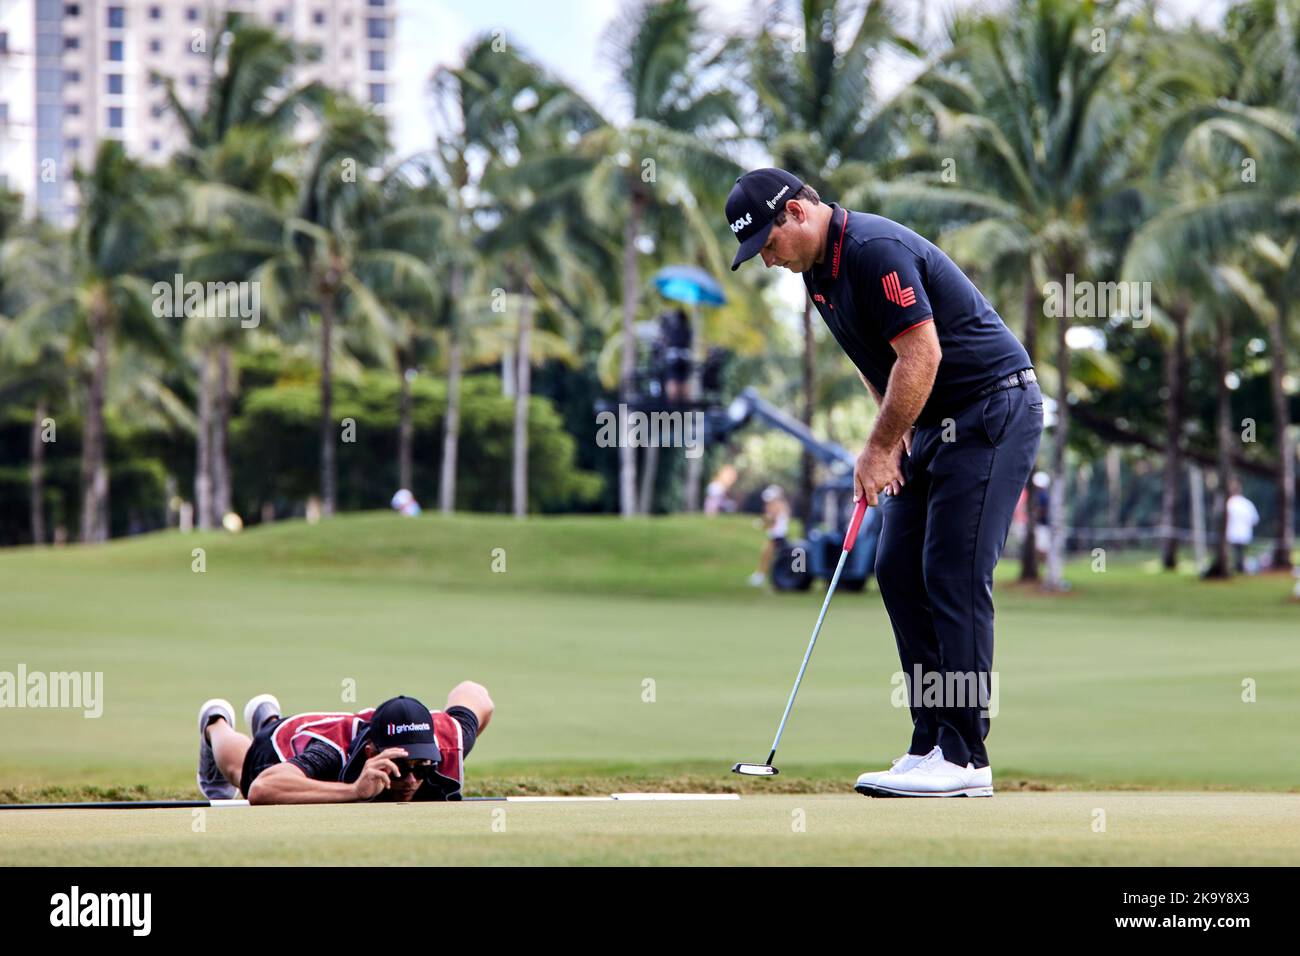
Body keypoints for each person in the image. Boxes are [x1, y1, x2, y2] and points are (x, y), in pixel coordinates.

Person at [727, 168, 1043, 797]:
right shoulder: (819, 278)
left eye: (767, 242)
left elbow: (922, 355)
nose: (766, 259)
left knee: (952, 574)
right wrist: (890, 441)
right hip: (934, 426)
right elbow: (883, 363)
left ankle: (965, 756)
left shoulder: (873, 252)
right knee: (898, 569)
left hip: (992, 411)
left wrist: (873, 447)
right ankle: (929, 743)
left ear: (796, 213)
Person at [195, 683, 493, 804]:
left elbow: (474, 693)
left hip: (318, 733)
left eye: (422, 765)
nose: (412, 779)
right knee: (239, 769)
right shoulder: (332, 752)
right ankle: (215, 723)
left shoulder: (448, 738)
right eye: (400, 767)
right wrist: (353, 790)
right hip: (283, 743)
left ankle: (266, 715)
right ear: (370, 753)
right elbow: (262, 789)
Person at [750, 484, 791, 587]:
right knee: (769, 555)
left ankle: (761, 576)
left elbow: (772, 519)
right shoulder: (781, 505)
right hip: (777, 535)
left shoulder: (777, 506)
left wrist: (761, 523)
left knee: (767, 555)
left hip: (777, 536)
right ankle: (762, 575)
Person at [1225, 479, 1260, 573]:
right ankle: (1240, 568)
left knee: (1235, 553)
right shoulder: (1247, 504)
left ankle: (1238, 568)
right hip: (1245, 534)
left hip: (1231, 534)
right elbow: (1255, 520)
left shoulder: (1229, 503)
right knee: (1241, 553)